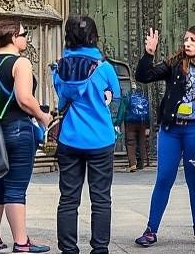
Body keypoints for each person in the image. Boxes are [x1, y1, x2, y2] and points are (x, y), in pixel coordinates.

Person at [133, 24, 195, 248]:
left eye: (193, 40)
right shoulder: (175, 64)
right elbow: (143, 76)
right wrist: (149, 53)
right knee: (164, 178)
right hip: (171, 131)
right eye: (186, 39)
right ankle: (151, 230)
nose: (187, 43)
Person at [52, 15, 123, 254]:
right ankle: (100, 248)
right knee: (101, 198)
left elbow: (62, 98)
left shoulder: (61, 66)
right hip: (100, 139)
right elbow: (116, 96)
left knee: (68, 199)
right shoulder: (104, 68)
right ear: (94, 36)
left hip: (70, 138)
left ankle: (69, 249)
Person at [0, 20, 53, 253]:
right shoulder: (20, 63)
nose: (26, 38)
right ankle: (21, 242)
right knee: (15, 188)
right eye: (24, 34)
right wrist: (43, 116)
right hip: (18, 130)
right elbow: (24, 98)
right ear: (14, 37)